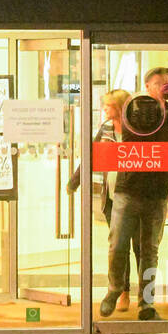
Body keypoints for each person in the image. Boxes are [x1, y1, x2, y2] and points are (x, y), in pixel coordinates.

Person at [111, 67, 168, 321]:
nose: (167, 87)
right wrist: (167, 112)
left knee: (149, 250)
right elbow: (141, 136)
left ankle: (147, 304)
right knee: (118, 244)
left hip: (157, 193)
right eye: (161, 83)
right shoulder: (136, 109)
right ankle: (115, 288)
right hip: (129, 190)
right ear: (149, 86)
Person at [67, 89, 135, 315]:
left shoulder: (137, 129)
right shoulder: (105, 129)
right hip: (111, 196)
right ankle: (121, 291)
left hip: (136, 195)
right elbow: (91, 156)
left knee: (140, 247)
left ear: (120, 107)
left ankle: (140, 297)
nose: (104, 109)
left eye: (108, 106)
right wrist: (75, 182)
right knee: (119, 246)